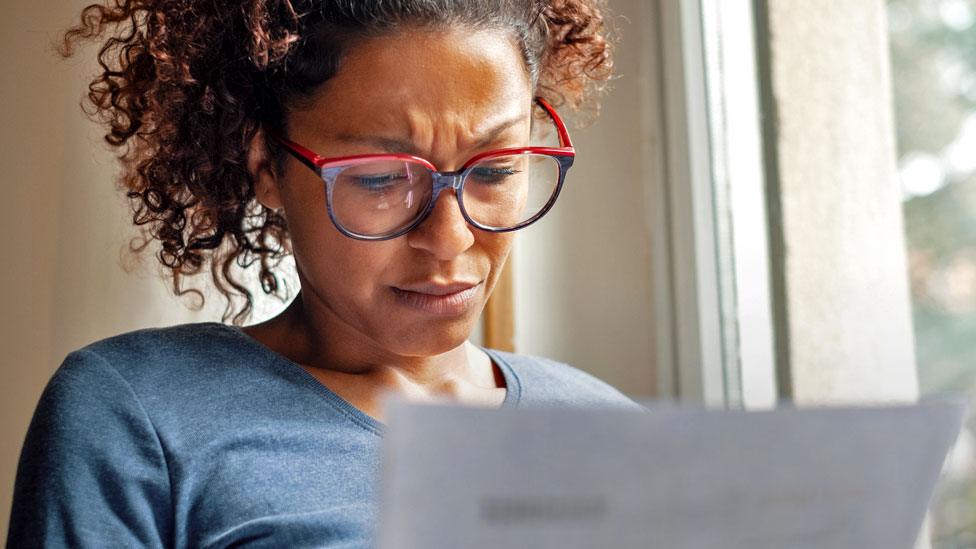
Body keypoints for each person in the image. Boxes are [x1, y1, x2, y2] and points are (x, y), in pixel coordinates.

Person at [8, 0, 639, 546]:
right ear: (266, 166)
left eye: (497, 169)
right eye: (382, 178)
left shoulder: (607, 427)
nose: (451, 238)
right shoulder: (138, 415)